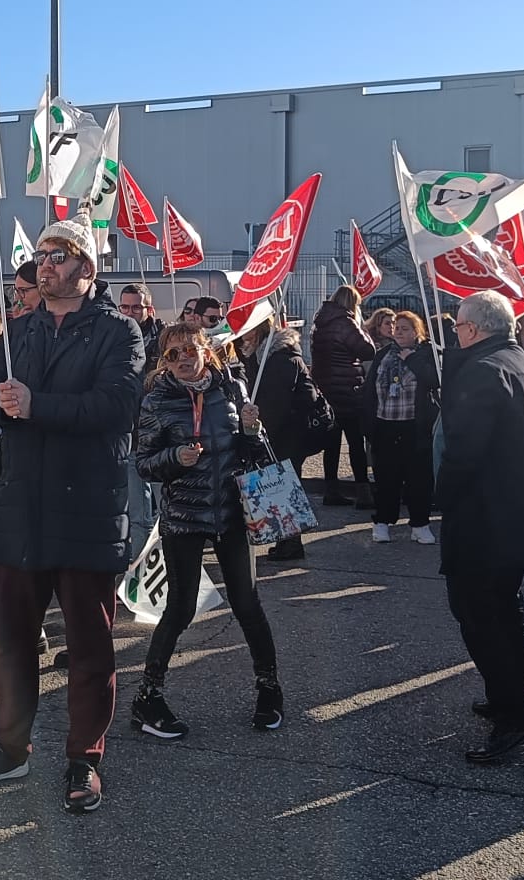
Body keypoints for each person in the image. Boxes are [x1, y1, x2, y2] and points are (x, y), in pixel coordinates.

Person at [0, 218, 145, 815]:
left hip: (87, 508)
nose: (45, 263)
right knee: (11, 642)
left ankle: (84, 758)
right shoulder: (18, 330)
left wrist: (37, 406)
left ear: (87, 268)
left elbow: (115, 407)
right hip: (21, 510)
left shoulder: (120, 332)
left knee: (89, 645)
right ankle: (10, 749)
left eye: (59, 254)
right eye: (40, 253)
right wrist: (1, 405)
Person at [131, 319, 281, 739]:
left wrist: (253, 429)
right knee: (178, 609)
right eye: (173, 354)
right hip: (184, 516)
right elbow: (144, 463)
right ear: (164, 360)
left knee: (247, 603)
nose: (183, 360)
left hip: (232, 512)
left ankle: (270, 690)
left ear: (206, 352)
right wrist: (175, 456)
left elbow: (257, 452)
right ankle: (148, 697)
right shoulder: (157, 400)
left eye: (190, 351)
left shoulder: (231, 389)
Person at [436, 291, 524, 763]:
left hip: (485, 516)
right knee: (505, 610)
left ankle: (514, 716)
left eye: (460, 327)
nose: (457, 334)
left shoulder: (482, 371)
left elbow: (463, 452)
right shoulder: (522, 362)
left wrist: (438, 497)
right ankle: (508, 698)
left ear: (476, 328)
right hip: (517, 511)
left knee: (481, 615)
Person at [236, 316, 328, 561]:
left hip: (285, 434)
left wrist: (260, 434)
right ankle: (286, 541)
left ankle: (291, 544)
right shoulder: (269, 355)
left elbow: (274, 404)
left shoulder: (277, 360)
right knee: (284, 486)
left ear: (257, 331)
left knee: (284, 488)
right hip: (287, 432)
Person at [368, 311, 439, 544]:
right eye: (397, 328)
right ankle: (382, 522)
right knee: (386, 477)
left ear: (416, 332)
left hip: (414, 427)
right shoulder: (383, 355)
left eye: (405, 329)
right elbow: (370, 389)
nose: (399, 332)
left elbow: (433, 380)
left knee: (418, 479)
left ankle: (420, 524)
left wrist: (412, 360)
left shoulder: (425, 354)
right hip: (385, 425)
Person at [312, 285, 379, 502]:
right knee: (355, 442)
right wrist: (363, 328)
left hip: (326, 389)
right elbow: (368, 351)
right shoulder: (346, 323)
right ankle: (363, 492)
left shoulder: (319, 323)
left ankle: (331, 490)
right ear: (352, 303)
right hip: (347, 389)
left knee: (331, 444)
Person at [118, 285, 164, 375]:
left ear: (149, 310)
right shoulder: (110, 334)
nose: (129, 313)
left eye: (136, 308)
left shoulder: (163, 336)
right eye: (124, 307)